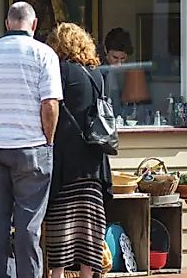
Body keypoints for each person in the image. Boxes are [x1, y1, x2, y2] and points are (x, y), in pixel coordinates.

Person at [0, 1, 62, 278]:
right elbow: (50, 104)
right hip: (32, 146)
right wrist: (48, 140)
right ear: (34, 24)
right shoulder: (44, 54)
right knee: (28, 221)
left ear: (8, 23)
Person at [45, 23, 113, 278]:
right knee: (90, 222)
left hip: (66, 156)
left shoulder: (60, 71)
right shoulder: (96, 75)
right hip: (94, 157)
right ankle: (87, 273)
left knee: (61, 221)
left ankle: (58, 274)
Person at [101, 27, 134, 116]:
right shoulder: (101, 72)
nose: (119, 63)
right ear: (105, 51)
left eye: (123, 58)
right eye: (115, 58)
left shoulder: (129, 72)